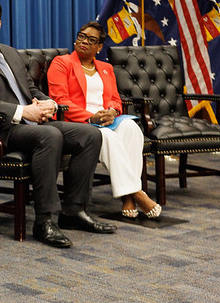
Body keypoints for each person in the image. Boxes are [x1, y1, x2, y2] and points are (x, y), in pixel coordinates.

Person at [0, 0, 116, 248]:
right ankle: (44, 221)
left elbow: (30, 88)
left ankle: (73, 211)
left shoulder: (9, 52)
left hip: (28, 123)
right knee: (50, 135)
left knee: (89, 135)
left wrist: (48, 102)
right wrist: (21, 112)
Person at [47, 21, 162, 219]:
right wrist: (90, 116)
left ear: (99, 47)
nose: (84, 41)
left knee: (131, 129)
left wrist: (111, 111)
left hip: (106, 120)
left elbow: (115, 99)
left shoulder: (106, 68)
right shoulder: (61, 63)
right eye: (81, 36)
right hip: (79, 123)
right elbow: (60, 101)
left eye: (91, 40)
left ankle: (128, 198)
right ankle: (136, 193)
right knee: (107, 136)